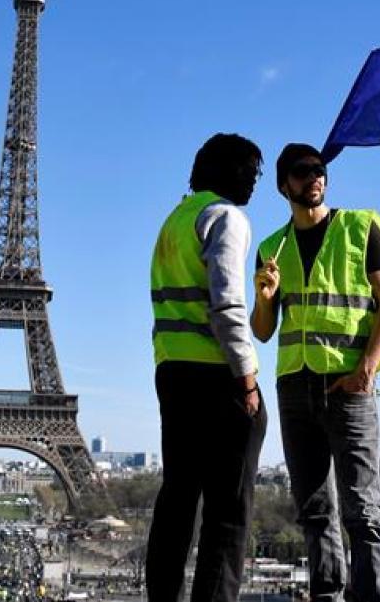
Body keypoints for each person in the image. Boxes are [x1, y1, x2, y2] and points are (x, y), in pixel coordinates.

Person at [251, 143, 380, 602]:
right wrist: (264, 294)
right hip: (295, 386)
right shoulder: (270, 249)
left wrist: (365, 373)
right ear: (284, 185)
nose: (315, 177)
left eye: (320, 170)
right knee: (316, 511)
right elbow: (262, 330)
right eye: (303, 171)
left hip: (348, 386)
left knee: (363, 509)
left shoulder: (361, 228)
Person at [146, 132, 268, 602]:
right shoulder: (226, 217)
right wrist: (248, 378)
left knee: (177, 500)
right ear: (228, 172)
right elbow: (226, 305)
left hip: (173, 371)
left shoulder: (174, 220)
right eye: (249, 173)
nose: (253, 184)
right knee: (228, 511)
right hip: (218, 377)